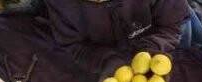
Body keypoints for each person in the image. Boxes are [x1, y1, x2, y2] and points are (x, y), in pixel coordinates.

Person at [47, 0, 194, 74]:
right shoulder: (61, 5)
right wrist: (106, 61)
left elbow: (173, 24)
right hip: (108, 70)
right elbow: (73, 46)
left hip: (168, 44)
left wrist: (153, 48)